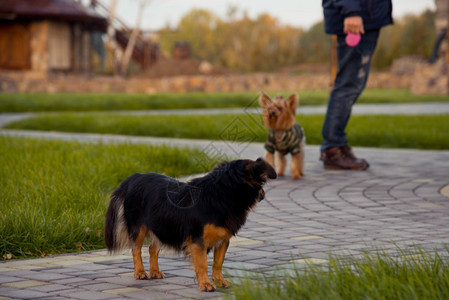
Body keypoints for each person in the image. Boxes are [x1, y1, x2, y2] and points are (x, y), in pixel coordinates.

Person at [320, 0, 393, 170]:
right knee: (348, 85)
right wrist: (351, 11)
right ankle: (332, 147)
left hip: (365, 15)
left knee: (351, 84)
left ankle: (336, 143)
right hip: (356, 16)